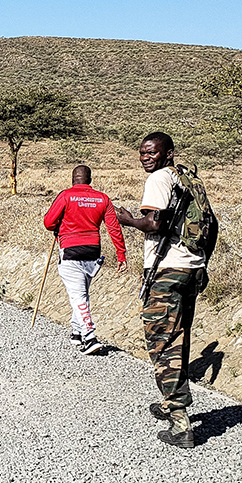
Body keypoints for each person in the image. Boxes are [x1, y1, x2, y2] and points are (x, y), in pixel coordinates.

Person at [116, 132, 205, 449]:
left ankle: (179, 423)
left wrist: (128, 220)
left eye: (151, 152)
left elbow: (155, 223)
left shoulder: (159, 179)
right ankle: (171, 401)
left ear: (168, 153)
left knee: (163, 343)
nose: (145, 157)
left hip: (168, 271)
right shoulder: (188, 179)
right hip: (193, 269)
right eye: (142, 153)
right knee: (179, 337)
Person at [44, 165, 127, 354]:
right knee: (81, 292)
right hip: (93, 252)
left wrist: (58, 225)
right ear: (90, 179)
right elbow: (114, 228)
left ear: (73, 179)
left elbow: (49, 222)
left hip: (70, 251)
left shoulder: (65, 196)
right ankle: (76, 332)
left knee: (78, 295)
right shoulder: (103, 199)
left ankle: (89, 337)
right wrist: (121, 254)